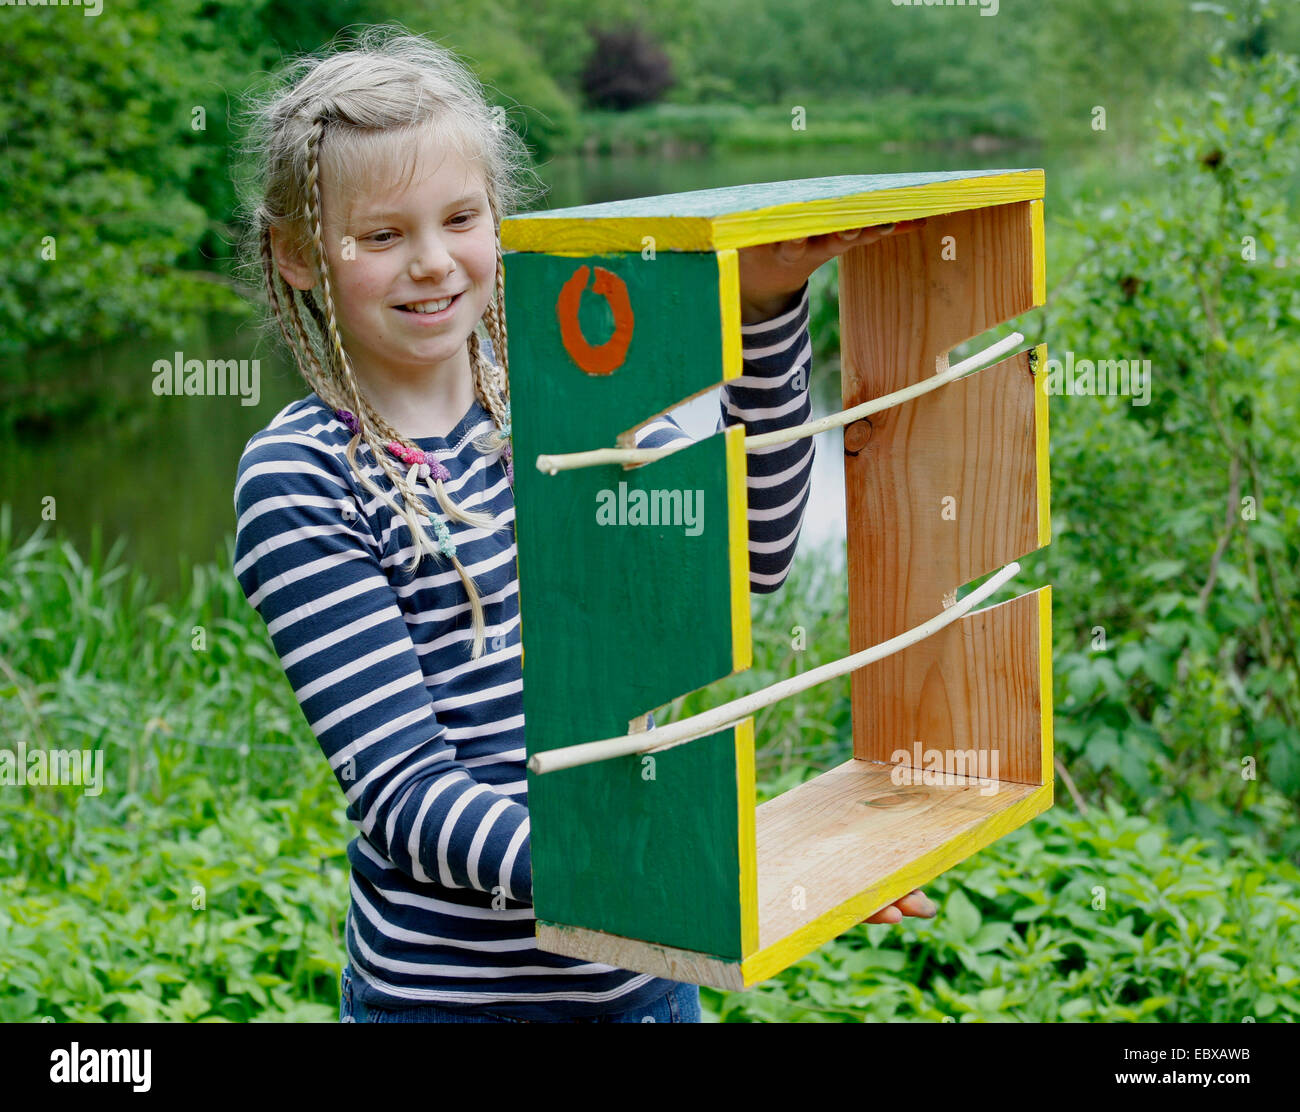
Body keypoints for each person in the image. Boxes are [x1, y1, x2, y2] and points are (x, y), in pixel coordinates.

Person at [231, 24, 931, 1024]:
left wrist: (769, 306)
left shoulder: (572, 412)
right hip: (455, 1006)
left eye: (459, 217)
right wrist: (663, 871)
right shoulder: (303, 478)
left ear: (497, 216)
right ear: (300, 254)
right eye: (382, 235)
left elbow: (756, 558)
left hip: (647, 981)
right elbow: (404, 790)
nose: (432, 262)